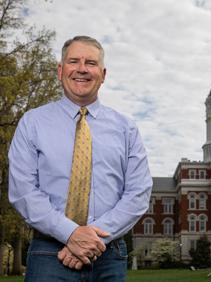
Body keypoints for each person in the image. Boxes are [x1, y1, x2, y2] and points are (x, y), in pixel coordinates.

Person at [8, 35, 152, 281]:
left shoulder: (126, 128)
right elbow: (23, 191)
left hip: (109, 253)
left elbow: (138, 192)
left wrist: (91, 239)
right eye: (74, 61)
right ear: (60, 70)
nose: (82, 69)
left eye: (91, 63)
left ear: (103, 74)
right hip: (48, 253)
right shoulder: (32, 123)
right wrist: (70, 233)